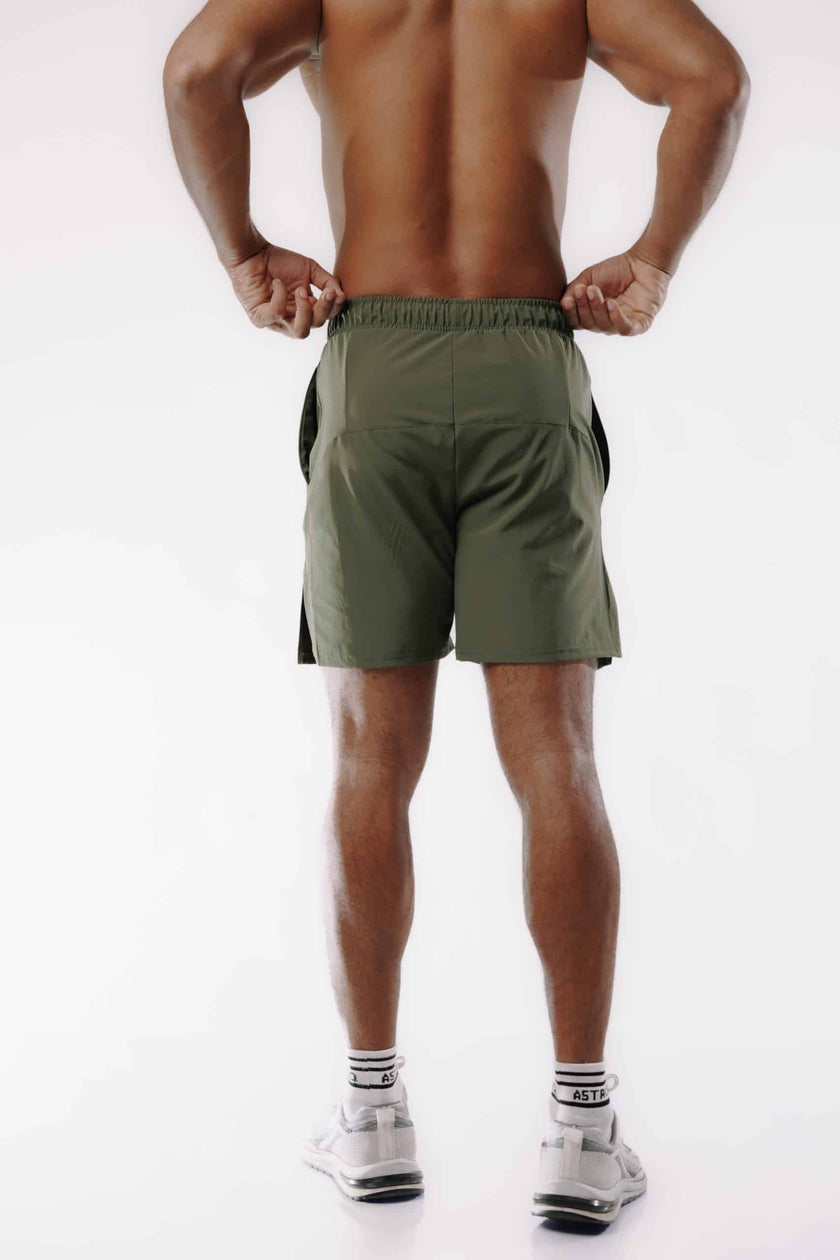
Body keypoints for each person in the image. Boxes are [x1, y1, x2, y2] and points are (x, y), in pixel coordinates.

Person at [163, 0, 748, 1227]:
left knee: (370, 759)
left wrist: (245, 252)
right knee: (557, 756)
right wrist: (653, 258)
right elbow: (711, 78)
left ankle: (372, 1116)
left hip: (376, 362)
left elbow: (199, 69)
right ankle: (582, 1134)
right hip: (524, 360)